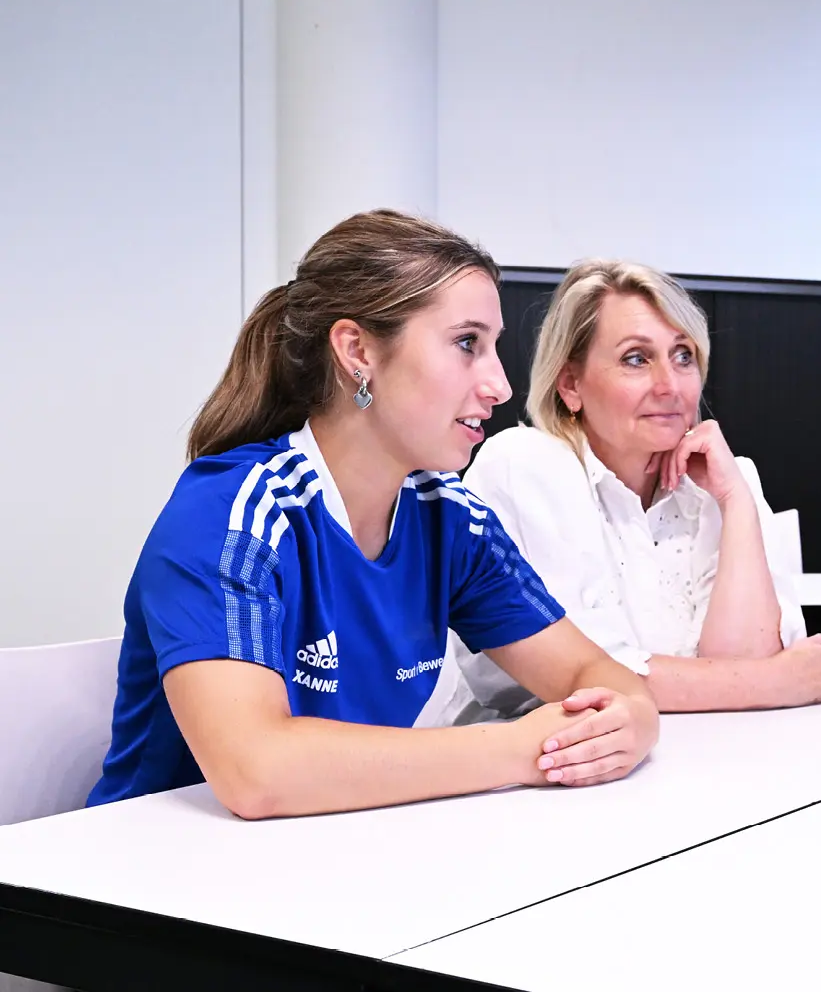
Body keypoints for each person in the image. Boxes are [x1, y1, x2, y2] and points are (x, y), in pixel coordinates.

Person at [89, 212, 659, 818]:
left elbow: (603, 679)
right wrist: (520, 749)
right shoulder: (231, 510)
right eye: (467, 344)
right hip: (149, 864)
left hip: (337, 847)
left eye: (492, 348)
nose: (499, 386)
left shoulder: (451, 518)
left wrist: (632, 722)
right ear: (357, 351)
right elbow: (256, 772)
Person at [434, 259, 821, 722]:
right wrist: (778, 683)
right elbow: (588, 679)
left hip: (721, 752)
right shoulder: (525, 465)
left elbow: (744, 661)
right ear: (570, 385)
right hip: (547, 758)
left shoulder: (727, 479)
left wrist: (736, 501)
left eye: (683, 356)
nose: (670, 386)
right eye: (636, 359)